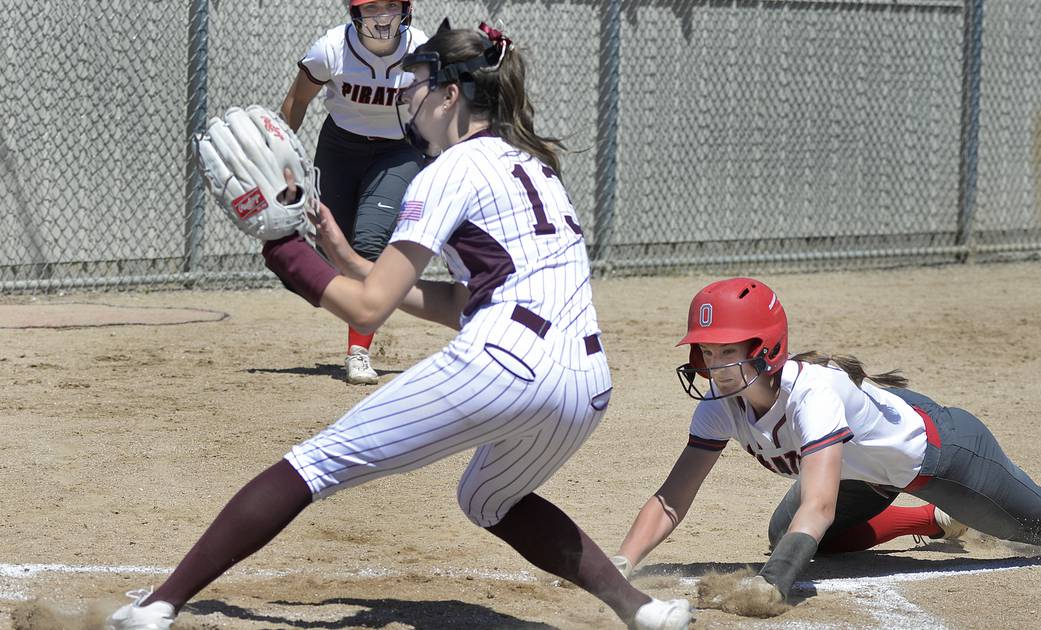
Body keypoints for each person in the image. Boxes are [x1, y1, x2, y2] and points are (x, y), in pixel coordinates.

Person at [105, 23, 691, 630]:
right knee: (488, 499)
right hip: (585, 384)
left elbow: (367, 312)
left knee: (316, 463)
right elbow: (468, 298)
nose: (404, 95)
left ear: (450, 95)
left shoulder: (445, 170)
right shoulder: (535, 168)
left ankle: (157, 605)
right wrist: (347, 257)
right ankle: (641, 609)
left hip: (505, 362)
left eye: (414, 82)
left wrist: (284, 250)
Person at [610, 277, 1041, 604]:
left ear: (767, 349)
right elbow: (671, 499)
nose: (717, 365)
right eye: (708, 352)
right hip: (867, 471)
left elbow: (821, 502)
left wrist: (775, 585)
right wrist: (623, 561)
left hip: (938, 453)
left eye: (730, 350)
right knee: (791, 533)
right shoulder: (720, 408)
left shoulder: (814, 394)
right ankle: (936, 522)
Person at [280, 0, 429, 384]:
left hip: (398, 151)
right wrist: (278, 160)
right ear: (354, 13)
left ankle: (358, 351)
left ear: (406, 10)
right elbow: (297, 101)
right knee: (331, 247)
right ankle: (347, 297)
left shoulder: (421, 50)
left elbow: (439, 112)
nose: (382, 17)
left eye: (391, 7)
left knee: (369, 240)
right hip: (340, 147)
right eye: (371, 8)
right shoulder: (331, 47)